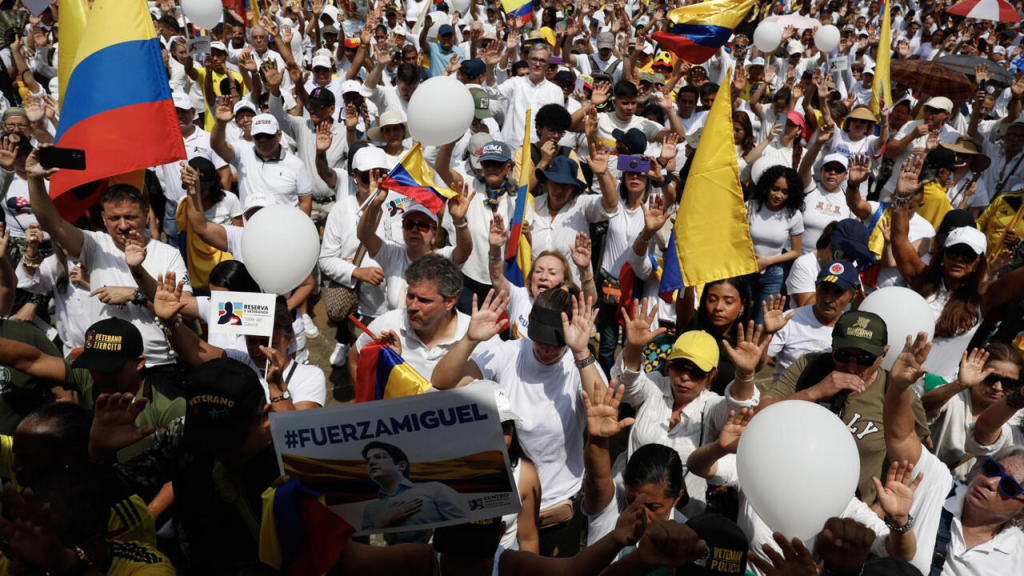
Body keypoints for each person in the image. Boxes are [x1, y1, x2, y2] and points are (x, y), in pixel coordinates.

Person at [431, 286, 605, 556]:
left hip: (553, 501)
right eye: (540, 340)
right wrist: (470, 339)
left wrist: (581, 352)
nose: (546, 350)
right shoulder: (509, 353)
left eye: (555, 343)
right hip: (502, 498)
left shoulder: (577, 364)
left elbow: (604, 412)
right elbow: (443, 382)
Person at [26, 146, 195, 392]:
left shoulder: (168, 254)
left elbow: (186, 310)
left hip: (159, 366)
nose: (123, 225)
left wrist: (133, 294)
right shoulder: (95, 245)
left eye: (131, 217)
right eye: (115, 219)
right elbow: (52, 222)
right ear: (103, 219)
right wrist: (34, 178)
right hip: (106, 366)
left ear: (147, 215)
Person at [88, 359, 280, 574]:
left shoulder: (293, 459)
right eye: (206, 441)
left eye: (230, 442)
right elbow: (111, 490)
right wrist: (99, 455)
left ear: (265, 417)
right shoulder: (181, 438)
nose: (219, 454)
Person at [685, 410, 920, 576]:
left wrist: (900, 520)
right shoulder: (760, 470)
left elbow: (898, 552)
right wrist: (719, 448)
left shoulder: (842, 499)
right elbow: (698, 466)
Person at [749, 311, 929, 505]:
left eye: (864, 360)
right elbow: (758, 415)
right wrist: (814, 392)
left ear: (883, 354)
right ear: (832, 347)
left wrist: (878, 512)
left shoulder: (895, 394)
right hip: (787, 492)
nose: (851, 367)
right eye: (842, 355)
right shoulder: (810, 367)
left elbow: (916, 465)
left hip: (854, 513)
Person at [884, 333, 1024, 575]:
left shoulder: (1017, 559)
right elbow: (911, 424)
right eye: (992, 469)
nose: (991, 483)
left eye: (1009, 487)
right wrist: (901, 387)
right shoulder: (937, 483)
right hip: (915, 489)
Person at [614, 300, 762, 516]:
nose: (685, 376)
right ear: (669, 364)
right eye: (679, 365)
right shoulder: (655, 385)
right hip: (627, 499)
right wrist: (634, 347)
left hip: (682, 515)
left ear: (711, 377)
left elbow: (737, 408)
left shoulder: (710, 406)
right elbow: (627, 385)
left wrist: (745, 374)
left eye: (697, 371)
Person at [891, 157, 1024, 383]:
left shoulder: (983, 296)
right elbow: (899, 239)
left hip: (937, 389)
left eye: (968, 255)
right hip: (896, 377)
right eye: (954, 252)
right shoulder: (922, 280)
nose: (959, 259)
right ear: (943, 255)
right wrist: (902, 199)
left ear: (977, 263)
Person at [154, 276, 326, 411]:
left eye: (267, 342)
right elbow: (196, 350)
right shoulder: (240, 361)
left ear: (289, 340)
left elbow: (298, 427)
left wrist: (275, 385)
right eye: (251, 341)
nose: (258, 350)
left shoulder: (309, 376)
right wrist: (170, 323)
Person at [351, 254, 500, 382]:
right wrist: (368, 406)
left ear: (449, 302)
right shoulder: (387, 324)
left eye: (424, 300)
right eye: (410, 296)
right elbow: (355, 359)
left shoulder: (483, 341)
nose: (412, 306)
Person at [357, 171, 473, 311]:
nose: (414, 230)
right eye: (409, 224)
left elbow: (464, 251)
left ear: (435, 234)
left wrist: (459, 220)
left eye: (423, 225)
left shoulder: (443, 258)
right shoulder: (393, 255)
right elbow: (365, 235)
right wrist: (375, 204)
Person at [922, 343, 1024, 481]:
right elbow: (923, 407)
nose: (997, 387)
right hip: (923, 477)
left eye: (1008, 383)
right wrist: (959, 384)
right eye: (990, 378)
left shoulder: (1017, 418)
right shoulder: (954, 395)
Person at [210, 100, 314, 215]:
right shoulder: (242, 154)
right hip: (252, 228)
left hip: (285, 229)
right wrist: (220, 123)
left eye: (268, 135)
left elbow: (305, 201)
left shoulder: (296, 164)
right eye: (258, 136)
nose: (263, 139)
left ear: (279, 136)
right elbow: (217, 145)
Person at [763, 261, 859, 381]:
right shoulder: (789, 319)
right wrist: (766, 335)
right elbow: (758, 366)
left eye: (837, 292)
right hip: (785, 398)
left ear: (853, 296)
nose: (828, 299)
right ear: (815, 287)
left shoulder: (855, 330)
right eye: (824, 290)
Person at [360, 440, 470, 531]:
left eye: (379, 457)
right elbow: (365, 547)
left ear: (401, 465)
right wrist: (384, 522)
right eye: (367, 460)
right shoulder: (369, 510)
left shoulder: (433, 489)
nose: (371, 463)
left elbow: (465, 525)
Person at [745, 165, 804, 325]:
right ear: (766, 187)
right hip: (744, 269)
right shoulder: (749, 206)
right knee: (739, 317)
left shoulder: (794, 215)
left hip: (773, 274)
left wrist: (768, 261)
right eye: (775, 189)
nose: (778, 195)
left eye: (785, 192)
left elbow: (796, 251)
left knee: (760, 323)